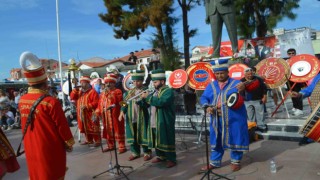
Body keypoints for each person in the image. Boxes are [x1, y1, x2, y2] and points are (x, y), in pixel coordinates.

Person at [18, 51, 74, 179]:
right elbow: (62, 126)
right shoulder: (50, 101)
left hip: (30, 145)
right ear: (45, 83)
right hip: (49, 146)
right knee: (51, 173)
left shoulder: (22, 100)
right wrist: (69, 143)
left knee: (37, 172)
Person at [200, 59, 248, 172]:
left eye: (222, 73)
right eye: (217, 73)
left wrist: (243, 90)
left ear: (227, 72)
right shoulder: (211, 85)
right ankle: (214, 162)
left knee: (235, 137)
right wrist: (207, 106)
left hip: (234, 117)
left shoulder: (237, 83)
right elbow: (203, 97)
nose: (219, 75)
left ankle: (235, 161)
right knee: (216, 139)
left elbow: (246, 96)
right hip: (216, 118)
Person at [140, 69, 177, 168]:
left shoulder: (168, 91)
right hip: (154, 120)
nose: (154, 84)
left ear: (162, 81)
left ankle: (171, 159)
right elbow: (149, 104)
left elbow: (161, 102)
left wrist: (147, 97)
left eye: (155, 82)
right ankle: (161, 156)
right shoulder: (155, 92)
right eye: (153, 82)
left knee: (167, 139)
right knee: (157, 138)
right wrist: (141, 100)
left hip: (164, 120)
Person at [119, 70, 152, 161]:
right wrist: (122, 112)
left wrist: (142, 100)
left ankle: (147, 152)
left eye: (138, 81)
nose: (135, 83)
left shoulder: (146, 91)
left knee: (143, 135)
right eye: (134, 81)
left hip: (142, 118)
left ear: (142, 81)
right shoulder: (128, 93)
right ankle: (135, 153)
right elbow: (124, 103)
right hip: (130, 118)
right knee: (132, 136)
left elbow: (148, 104)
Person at [96, 73, 126, 153]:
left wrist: (109, 94)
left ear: (114, 83)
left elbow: (118, 101)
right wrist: (97, 112)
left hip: (116, 115)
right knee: (108, 130)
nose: (108, 84)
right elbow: (100, 104)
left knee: (118, 130)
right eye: (106, 83)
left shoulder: (118, 91)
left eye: (110, 82)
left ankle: (121, 146)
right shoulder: (102, 94)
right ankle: (110, 145)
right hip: (106, 116)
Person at [70, 76, 101, 147]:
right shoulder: (80, 92)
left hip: (90, 113)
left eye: (83, 83)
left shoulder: (93, 92)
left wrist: (87, 106)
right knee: (84, 127)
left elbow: (96, 102)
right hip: (82, 114)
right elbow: (72, 97)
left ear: (87, 84)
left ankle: (97, 140)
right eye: (81, 83)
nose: (81, 84)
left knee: (93, 127)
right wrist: (75, 89)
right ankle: (89, 140)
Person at [291, 73, 320, 145]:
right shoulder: (318, 76)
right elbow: (310, 88)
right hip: (315, 107)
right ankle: (310, 137)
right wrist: (300, 94)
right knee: (313, 123)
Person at [241, 67, 268, 132]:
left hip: (258, 99)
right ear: (245, 74)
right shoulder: (241, 81)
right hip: (247, 101)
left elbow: (264, 88)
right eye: (248, 74)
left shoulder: (258, 79)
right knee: (250, 115)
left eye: (251, 74)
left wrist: (264, 96)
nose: (250, 75)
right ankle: (252, 127)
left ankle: (261, 126)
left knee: (260, 114)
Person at [286, 48, 304, 116]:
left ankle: (300, 109)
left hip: (297, 79)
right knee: (292, 94)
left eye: (293, 53)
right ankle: (295, 106)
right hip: (289, 80)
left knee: (297, 94)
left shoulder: (298, 60)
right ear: (288, 54)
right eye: (290, 53)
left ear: (295, 53)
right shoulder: (286, 61)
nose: (291, 54)